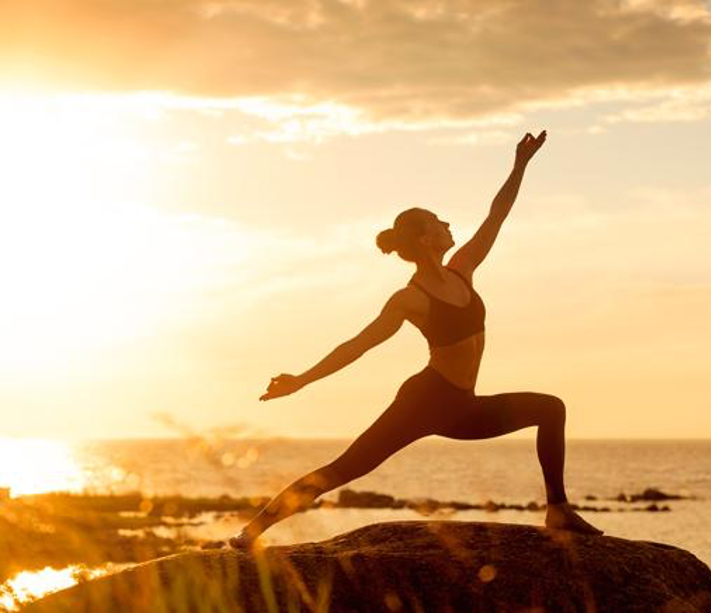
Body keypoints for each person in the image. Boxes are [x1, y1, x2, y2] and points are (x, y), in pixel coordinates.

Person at [229, 130, 603, 549]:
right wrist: (300, 380)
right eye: (437, 221)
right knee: (344, 469)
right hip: (425, 401)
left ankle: (557, 509)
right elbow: (358, 344)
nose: (447, 223)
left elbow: (497, 214)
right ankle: (250, 533)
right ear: (425, 239)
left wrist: (520, 166)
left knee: (550, 409)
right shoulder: (411, 299)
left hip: (464, 407)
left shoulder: (462, 269)